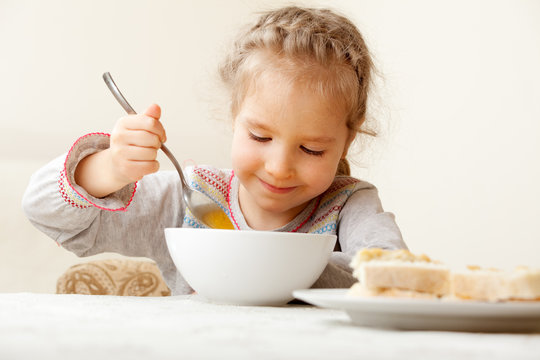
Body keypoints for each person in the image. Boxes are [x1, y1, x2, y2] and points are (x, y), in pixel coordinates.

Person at [22, 6, 407, 295]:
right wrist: (110, 168)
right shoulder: (191, 198)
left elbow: (393, 277)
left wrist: (274, 263)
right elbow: (44, 212)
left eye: (311, 149)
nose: (279, 168)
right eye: (260, 137)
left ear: (347, 140)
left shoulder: (347, 205)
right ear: (234, 118)